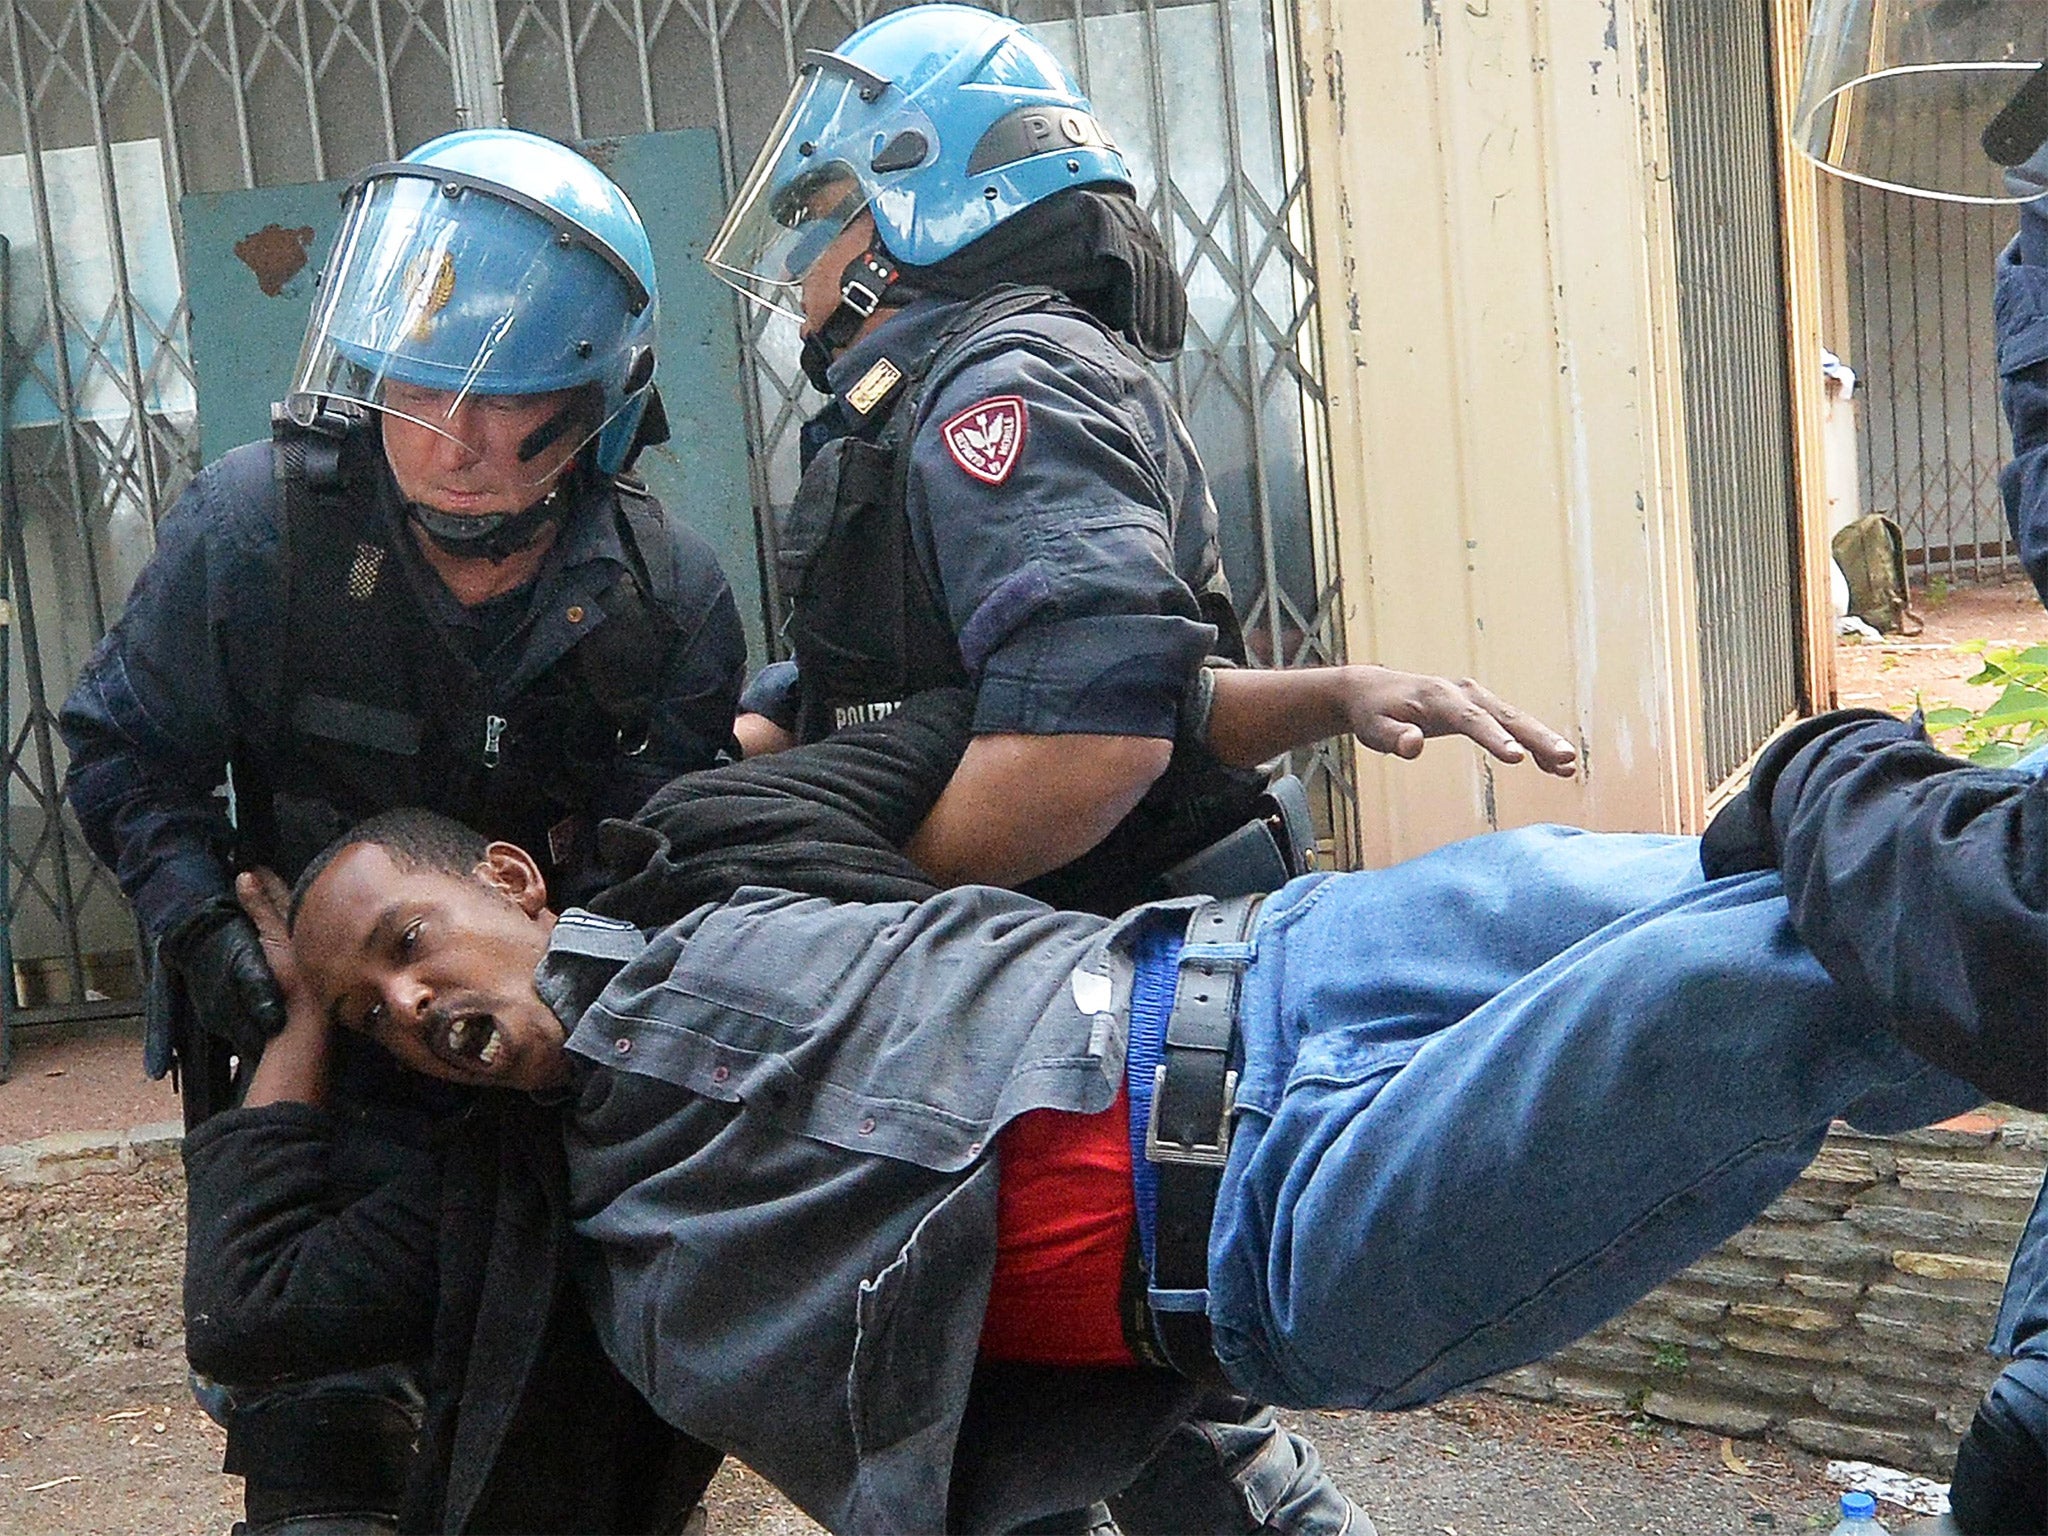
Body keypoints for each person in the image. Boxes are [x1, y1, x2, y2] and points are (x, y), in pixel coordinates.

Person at [183, 682, 2004, 1536]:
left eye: (413, 946)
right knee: (1773, 972)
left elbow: (1071, 702)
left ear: (511, 876)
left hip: (1300, 958)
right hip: (1294, 1229)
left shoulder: (730, 852)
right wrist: (294, 1031)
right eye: (378, 1015)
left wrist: (1336, 694)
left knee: (1846, 878)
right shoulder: (596, 1246)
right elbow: (256, 1300)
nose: (412, 1004)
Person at [709, 12, 1573, 1524]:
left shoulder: (1000, 391)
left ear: (925, 208)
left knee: (1134, 1406)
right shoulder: (937, 395)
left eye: (825, 218)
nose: (800, 272)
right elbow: (930, 685)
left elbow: (1092, 735)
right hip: (1056, 973)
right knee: (1050, 1396)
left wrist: (858, 922)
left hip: (1065, 988)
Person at [60, 128, 745, 1533]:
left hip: (541, 1072)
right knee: (310, 1435)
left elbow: (677, 865)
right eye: (420, 388)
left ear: (594, 408)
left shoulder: (664, 596)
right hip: (319, 1050)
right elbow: (127, 752)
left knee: (558, 1453)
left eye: (502, 406)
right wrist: (207, 930)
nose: (447, 440)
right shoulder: (259, 532)